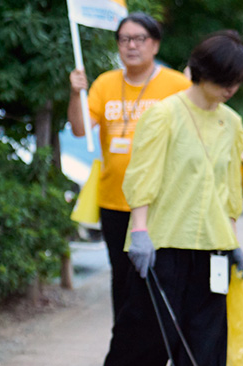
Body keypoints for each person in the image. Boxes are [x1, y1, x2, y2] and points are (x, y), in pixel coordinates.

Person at [98, 31, 243, 366]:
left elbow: (228, 189)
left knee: (205, 341)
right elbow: (143, 176)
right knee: (147, 332)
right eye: (225, 78)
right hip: (163, 240)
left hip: (213, 247)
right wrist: (141, 232)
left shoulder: (232, 123)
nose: (230, 88)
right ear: (204, 70)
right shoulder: (164, 114)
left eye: (237, 81)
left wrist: (233, 241)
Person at [68, 12, 190, 319]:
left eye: (139, 39)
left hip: (158, 203)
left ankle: (148, 348)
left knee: (155, 279)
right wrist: (75, 93)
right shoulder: (106, 83)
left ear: (155, 45)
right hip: (114, 200)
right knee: (121, 279)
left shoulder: (177, 84)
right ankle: (122, 344)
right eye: (124, 39)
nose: (131, 45)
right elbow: (81, 129)